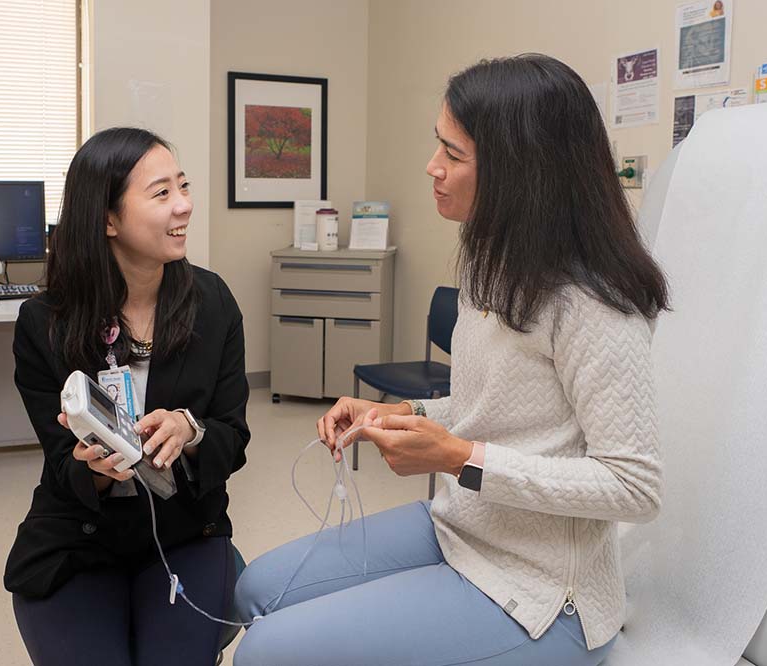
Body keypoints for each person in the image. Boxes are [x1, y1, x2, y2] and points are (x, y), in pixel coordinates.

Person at [233, 54, 668, 666]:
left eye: (454, 155)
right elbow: (496, 404)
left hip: (541, 594)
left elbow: (635, 486)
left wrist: (460, 458)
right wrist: (402, 410)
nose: (431, 168)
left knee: (267, 653)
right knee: (253, 589)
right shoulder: (497, 265)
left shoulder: (593, 302)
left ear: (522, 172)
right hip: (461, 526)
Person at [4, 127, 250, 665]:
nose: (184, 205)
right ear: (108, 219)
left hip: (185, 530)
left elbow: (233, 440)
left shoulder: (213, 303)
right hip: (79, 538)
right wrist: (94, 468)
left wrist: (191, 430)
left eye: (182, 187)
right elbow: (58, 460)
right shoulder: (45, 323)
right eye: (161, 193)